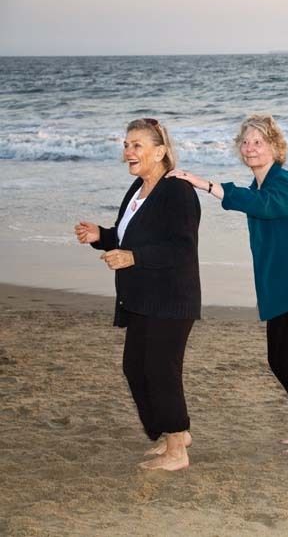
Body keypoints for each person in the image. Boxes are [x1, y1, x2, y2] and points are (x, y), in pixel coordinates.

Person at [171, 114, 288, 455]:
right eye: (245, 142)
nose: (250, 148)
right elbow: (259, 205)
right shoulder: (257, 187)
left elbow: (266, 207)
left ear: (276, 147)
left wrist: (207, 185)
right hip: (282, 285)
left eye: (258, 142)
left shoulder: (287, 183)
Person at [75, 118, 200, 471]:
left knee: (161, 369)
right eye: (126, 144)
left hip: (172, 297)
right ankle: (172, 433)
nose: (128, 152)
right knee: (135, 368)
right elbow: (125, 237)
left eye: (136, 145)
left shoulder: (177, 190)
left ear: (159, 152)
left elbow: (181, 248)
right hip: (142, 297)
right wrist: (99, 235)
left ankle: (178, 449)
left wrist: (134, 257)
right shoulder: (137, 190)